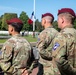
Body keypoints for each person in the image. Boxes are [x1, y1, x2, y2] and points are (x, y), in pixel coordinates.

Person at [40, 8, 76, 75]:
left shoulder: (61, 36)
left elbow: (59, 59)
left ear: (62, 20)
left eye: (58, 19)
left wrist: (73, 72)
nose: (57, 21)